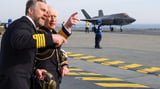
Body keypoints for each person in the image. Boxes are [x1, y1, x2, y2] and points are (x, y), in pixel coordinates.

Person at [0, 0, 67, 89]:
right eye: (43, 10)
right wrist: (50, 38)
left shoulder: (29, 27)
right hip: (15, 83)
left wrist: (35, 70)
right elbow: (19, 41)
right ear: (30, 11)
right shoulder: (22, 24)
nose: (46, 14)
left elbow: (19, 58)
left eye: (47, 12)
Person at [34, 6, 79, 89]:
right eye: (50, 16)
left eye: (55, 16)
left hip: (54, 81)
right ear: (43, 18)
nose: (53, 19)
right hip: (41, 83)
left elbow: (59, 52)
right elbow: (55, 42)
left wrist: (64, 65)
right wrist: (67, 26)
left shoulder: (52, 33)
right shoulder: (39, 33)